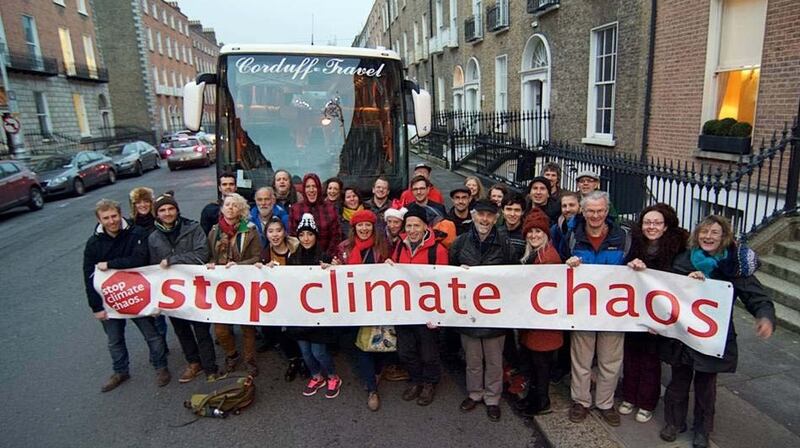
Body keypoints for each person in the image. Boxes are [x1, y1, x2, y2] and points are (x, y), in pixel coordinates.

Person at [659, 215, 774, 448]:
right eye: (704, 232)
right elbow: (665, 289)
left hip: (713, 336)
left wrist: (764, 316)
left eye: (714, 233)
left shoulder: (733, 265)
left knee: (706, 385)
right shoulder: (684, 258)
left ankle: (702, 430)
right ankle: (674, 422)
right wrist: (686, 280)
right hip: (682, 333)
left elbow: (757, 297)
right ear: (697, 234)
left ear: (724, 237)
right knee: (679, 380)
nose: (708, 237)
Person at [83, 199, 170, 392]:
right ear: (99, 219)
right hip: (110, 300)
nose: (111, 221)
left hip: (137, 296)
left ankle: (161, 367)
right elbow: (89, 276)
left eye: (114, 216)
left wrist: (110, 264)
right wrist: (96, 307)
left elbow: (139, 260)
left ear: (120, 214)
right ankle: (120, 371)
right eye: (106, 218)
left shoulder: (136, 232)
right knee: (114, 339)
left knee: (152, 336)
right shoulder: (93, 243)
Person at [562, 191, 630, 427]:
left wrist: (636, 266)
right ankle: (580, 401)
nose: (595, 215)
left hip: (613, 312)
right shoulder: (572, 236)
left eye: (600, 210)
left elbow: (634, 270)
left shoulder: (622, 237)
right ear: (583, 211)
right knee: (581, 359)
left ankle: (605, 403)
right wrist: (567, 264)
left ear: (607, 210)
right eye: (590, 210)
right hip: (583, 311)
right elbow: (558, 268)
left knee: (610, 361)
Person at [620, 204, 689, 423]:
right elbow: (622, 272)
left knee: (651, 358)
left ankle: (647, 403)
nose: (652, 227)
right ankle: (629, 396)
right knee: (631, 355)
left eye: (657, 223)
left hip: (659, 313)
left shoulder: (678, 249)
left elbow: (678, 280)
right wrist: (630, 264)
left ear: (666, 226)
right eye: (647, 222)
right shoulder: (635, 243)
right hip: (634, 310)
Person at [147, 192, 221, 382]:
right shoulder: (153, 238)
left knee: (202, 329)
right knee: (181, 329)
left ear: (177, 210)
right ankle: (193, 363)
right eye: (162, 210)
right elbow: (154, 268)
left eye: (171, 208)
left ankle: (210, 367)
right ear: (157, 214)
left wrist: (173, 260)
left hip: (196, 289)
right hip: (172, 292)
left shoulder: (193, 228)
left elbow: (202, 254)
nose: (167, 213)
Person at [449, 199, 511, 422]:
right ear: (473, 216)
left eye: (489, 215)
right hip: (470, 313)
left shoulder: (504, 243)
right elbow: (449, 273)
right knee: (473, 359)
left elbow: (514, 275)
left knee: (494, 360)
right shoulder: (460, 242)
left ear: (495, 218)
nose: (484, 219)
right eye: (481, 215)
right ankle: (475, 394)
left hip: (495, 313)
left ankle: (493, 398)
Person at [387, 205, 449, 408]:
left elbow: (445, 281)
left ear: (425, 227)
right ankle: (415, 379)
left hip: (427, 312)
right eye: (409, 225)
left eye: (416, 225)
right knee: (406, 351)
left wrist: (438, 313)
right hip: (405, 310)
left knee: (428, 353)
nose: (412, 230)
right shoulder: (399, 246)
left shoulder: (437, 250)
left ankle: (429, 383)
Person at [333, 209, 389, 408]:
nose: (364, 228)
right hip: (355, 305)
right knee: (362, 345)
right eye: (360, 225)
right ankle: (372, 389)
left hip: (378, 304)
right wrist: (333, 267)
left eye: (367, 225)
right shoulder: (344, 248)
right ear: (354, 227)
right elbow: (337, 271)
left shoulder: (382, 247)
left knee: (380, 344)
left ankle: (377, 372)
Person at [285, 214, 341, 398]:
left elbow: (336, 282)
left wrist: (334, 269)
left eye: (309, 234)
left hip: (319, 316)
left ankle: (332, 376)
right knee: (306, 353)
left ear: (316, 236)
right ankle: (316, 376)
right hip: (300, 316)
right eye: (302, 235)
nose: (306, 238)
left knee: (319, 352)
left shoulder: (324, 257)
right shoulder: (292, 258)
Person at [515, 208, 564, 417]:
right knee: (535, 365)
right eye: (530, 232)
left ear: (546, 234)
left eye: (538, 232)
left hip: (543, 325)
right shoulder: (535, 254)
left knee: (541, 365)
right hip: (533, 321)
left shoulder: (549, 257)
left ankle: (542, 401)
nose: (534, 236)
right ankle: (534, 398)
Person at [208, 193, 262, 376]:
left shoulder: (250, 230)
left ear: (241, 210)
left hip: (243, 284)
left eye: (235, 205)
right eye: (227, 204)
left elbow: (257, 257)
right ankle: (232, 355)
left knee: (247, 327)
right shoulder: (215, 231)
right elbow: (209, 255)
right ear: (222, 208)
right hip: (221, 287)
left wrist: (238, 266)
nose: (230, 208)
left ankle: (249, 360)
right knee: (221, 330)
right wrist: (210, 264)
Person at [128, 186, 168, 343]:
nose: (142, 205)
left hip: (158, 273)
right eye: (138, 202)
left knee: (159, 314)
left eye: (146, 201)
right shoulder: (130, 225)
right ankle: (156, 348)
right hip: (140, 275)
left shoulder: (159, 222)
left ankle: (161, 346)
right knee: (147, 315)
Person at [289, 173, 342, 257]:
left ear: (319, 188)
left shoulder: (330, 209)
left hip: (326, 262)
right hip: (302, 261)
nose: (311, 190)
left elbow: (336, 237)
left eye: (314, 186)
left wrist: (327, 257)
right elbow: (293, 238)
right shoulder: (295, 209)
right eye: (308, 186)